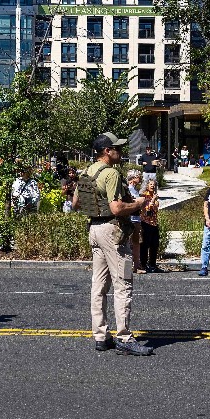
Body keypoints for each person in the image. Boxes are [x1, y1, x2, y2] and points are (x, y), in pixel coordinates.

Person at [75, 131, 155, 356]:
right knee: (123, 283)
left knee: (99, 285)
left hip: (94, 229)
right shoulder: (111, 174)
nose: (121, 152)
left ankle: (100, 336)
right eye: (117, 148)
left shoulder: (87, 171)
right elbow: (117, 209)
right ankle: (124, 338)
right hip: (113, 231)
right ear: (106, 152)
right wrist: (138, 203)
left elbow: (75, 203)